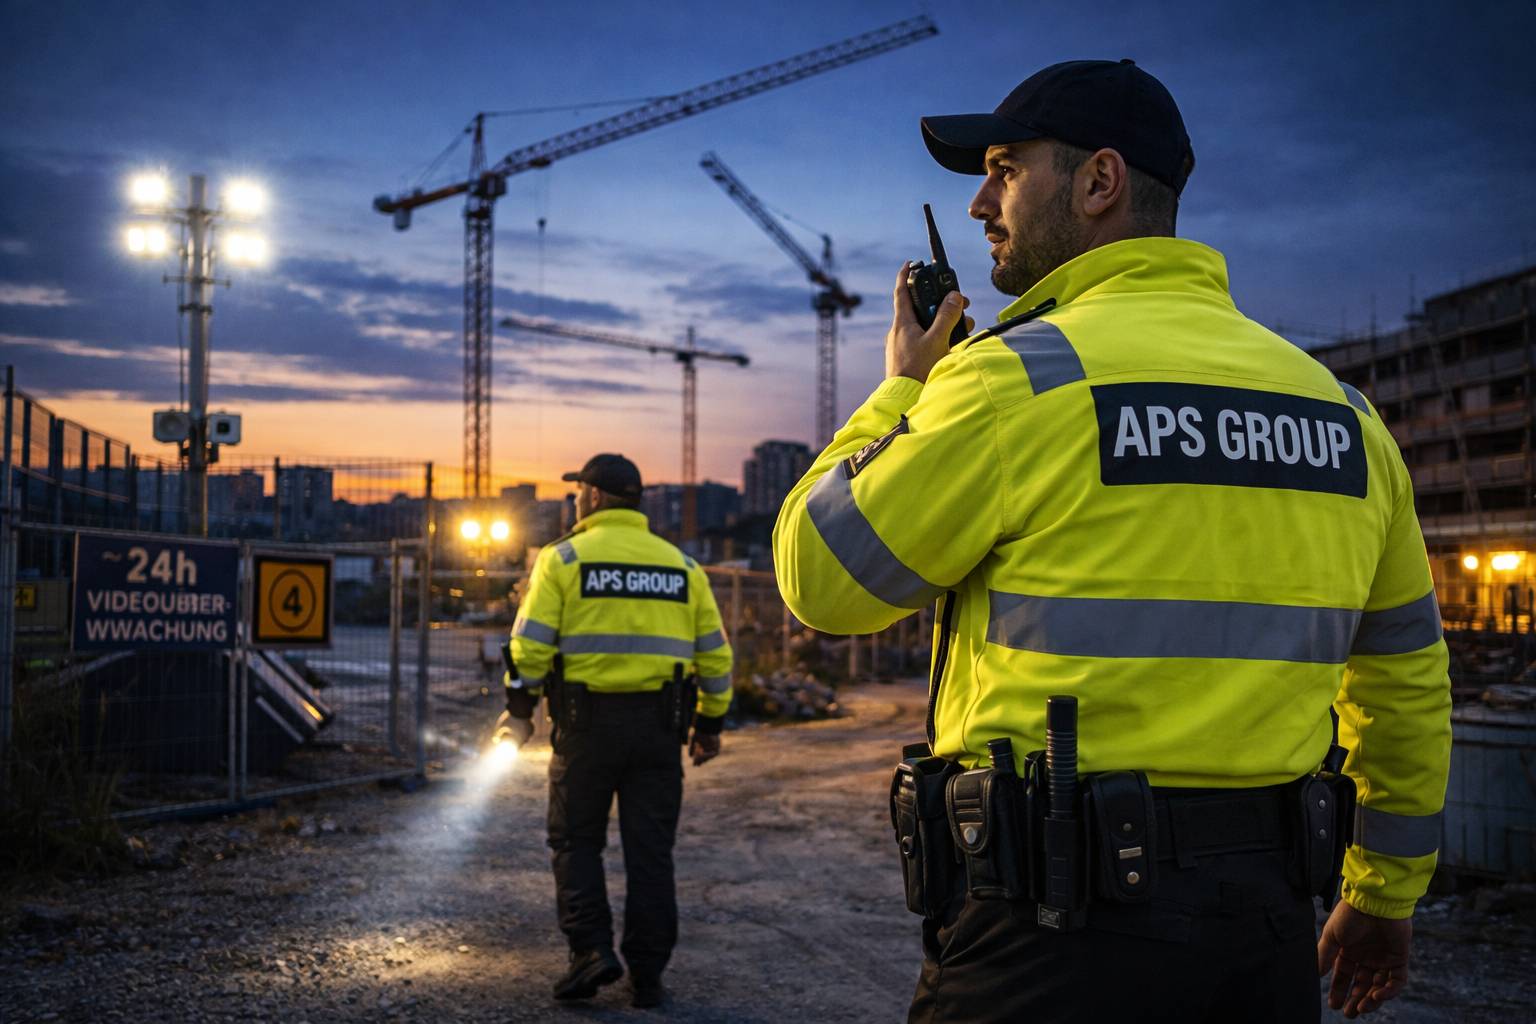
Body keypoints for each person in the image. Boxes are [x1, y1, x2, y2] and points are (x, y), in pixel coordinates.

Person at [773, 59, 1450, 1023]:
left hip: (1054, 944)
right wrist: (1383, 894)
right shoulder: (1341, 413)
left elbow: (820, 579)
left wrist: (902, 389)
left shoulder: (1015, 383)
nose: (978, 204)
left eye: (1004, 168)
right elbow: (1407, 679)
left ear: (1098, 181)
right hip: (1263, 938)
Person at [502, 453, 734, 1009]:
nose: (576, 500)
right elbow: (717, 658)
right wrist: (709, 724)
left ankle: (590, 951)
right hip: (659, 731)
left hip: (585, 728)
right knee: (650, 852)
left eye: (579, 491)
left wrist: (518, 708)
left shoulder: (564, 559)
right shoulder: (683, 567)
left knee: (576, 839)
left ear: (597, 497)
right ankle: (648, 975)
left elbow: (529, 645)